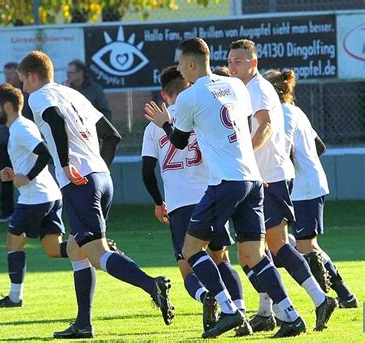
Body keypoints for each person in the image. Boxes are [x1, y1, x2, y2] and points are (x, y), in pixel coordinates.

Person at [145, 37, 304, 338]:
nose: (179, 68)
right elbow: (243, 128)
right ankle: (291, 316)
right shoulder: (235, 86)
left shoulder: (188, 98)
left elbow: (179, 142)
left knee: (190, 248)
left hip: (225, 181)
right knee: (252, 255)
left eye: (180, 63)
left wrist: (166, 122)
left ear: (191, 63)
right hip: (251, 178)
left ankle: (230, 310)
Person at [18, 51, 175, 339]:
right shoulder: (73, 94)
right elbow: (112, 135)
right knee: (78, 251)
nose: (23, 88)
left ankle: (151, 285)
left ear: (32, 75)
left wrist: (66, 165)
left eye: (23, 81)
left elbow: (54, 120)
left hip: (79, 182)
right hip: (101, 178)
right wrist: (98, 170)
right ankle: (83, 324)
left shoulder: (39, 96)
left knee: (97, 253)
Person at [227, 39, 337, 335]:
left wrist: (244, 157)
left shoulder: (258, 88)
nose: (232, 66)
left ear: (253, 63)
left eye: (238, 61)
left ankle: (318, 299)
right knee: (251, 252)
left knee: (271, 245)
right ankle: (267, 312)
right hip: (259, 177)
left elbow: (264, 126)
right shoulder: (245, 89)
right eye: (230, 61)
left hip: (270, 176)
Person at [141, 65, 247, 332]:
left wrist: (157, 201)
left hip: (178, 203)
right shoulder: (201, 112)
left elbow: (147, 170)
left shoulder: (154, 127)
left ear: (164, 95)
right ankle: (241, 311)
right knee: (221, 259)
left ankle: (205, 295)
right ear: (187, 86)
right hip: (210, 194)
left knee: (187, 266)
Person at [263, 69, 358, 309]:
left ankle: (336, 298)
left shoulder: (282, 114)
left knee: (306, 246)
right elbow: (320, 146)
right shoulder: (295, 111)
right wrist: (309, 164)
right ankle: (341, 296)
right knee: (290, 242)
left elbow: (285, 151)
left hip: (302, 188)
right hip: (304, 186)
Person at [0, 83, 68, 308]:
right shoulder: (20, 128)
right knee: (53, 249)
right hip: (48, 195)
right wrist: (14, 175)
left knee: (13, 242)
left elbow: (45, 153)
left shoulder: (21, 128)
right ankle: (94, 247)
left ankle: (14, 298)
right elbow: (33, 158)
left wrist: (28, 177)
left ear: (8, 106)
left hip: (35, 198)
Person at [0, 62, 33, 223]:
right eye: (5, 74)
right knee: (6, 175)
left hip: (23, 143)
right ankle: (7, 210)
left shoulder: (26, 90)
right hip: (5, 141)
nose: (8, 77)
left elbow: (43, 152)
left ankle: (31, 209)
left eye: (11, 73)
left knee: (26, 173)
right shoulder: (0, 92)